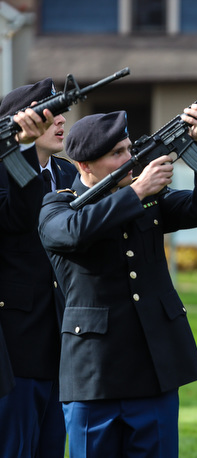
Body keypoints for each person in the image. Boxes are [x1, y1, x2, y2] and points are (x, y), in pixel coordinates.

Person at [37, 104, 197, 457]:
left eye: (128, 150)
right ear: (84, 166)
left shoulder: (149, 201)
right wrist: (136, 193)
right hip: (94, 376)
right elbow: (73, 233)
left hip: (153, 367)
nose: (130, 159)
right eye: (117, 154)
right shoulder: (58, 206)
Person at [0, 78, 75, 458]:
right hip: (16, 344)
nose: (62, 119)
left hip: (63, 341)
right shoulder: (2, 169)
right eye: (52, 111)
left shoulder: (68, 175)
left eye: (63, 110)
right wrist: (23, 149)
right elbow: (21, 216)